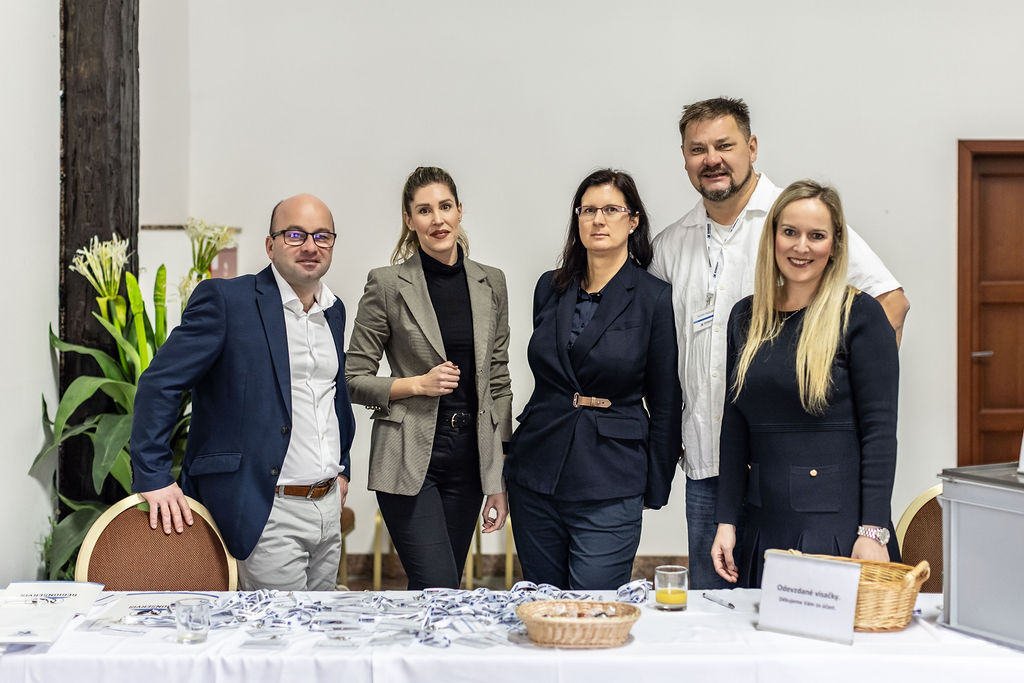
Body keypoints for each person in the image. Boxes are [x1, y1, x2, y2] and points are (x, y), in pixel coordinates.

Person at [649, 97, 910, 589]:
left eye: (724, 145)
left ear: (751, 147)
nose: (712, 159)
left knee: (808, 614)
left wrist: (825, 394)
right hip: (710, 463)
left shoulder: (794, 213)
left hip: (811, 476)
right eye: (698, 149)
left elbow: (891, 302)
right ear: (684, 157)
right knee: (718, 611)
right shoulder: (670, 247)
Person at [131, 193, 356, 590]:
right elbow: (160, 382)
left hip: (326, 507)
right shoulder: (227, 302)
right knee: (281, 628)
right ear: (270, 245)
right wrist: (153, 476)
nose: (310, 246)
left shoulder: (333, 311)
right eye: (295, 234)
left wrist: (341, 469)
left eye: (322, 236)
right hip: (266, 508)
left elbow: (331, 397)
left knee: (322, 626)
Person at [710, 180, 900, 587]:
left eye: (816, 236)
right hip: (762, 524)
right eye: (790, 232)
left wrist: (873, 531)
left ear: (835, 245)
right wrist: (726, 520)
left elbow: (880, 433)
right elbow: (735, 426)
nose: (801, 247)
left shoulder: (861, 315)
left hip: (839, 530)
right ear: (773, 237)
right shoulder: (745, 317)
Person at [505, 169, 682, 590]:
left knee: (594, 609)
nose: (598, 220)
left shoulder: (654, 297)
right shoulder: (549, 287)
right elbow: (551, 377)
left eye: (611, 210)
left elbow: (665, 401)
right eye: (587, 210)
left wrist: (655, 484)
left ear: (633, 221)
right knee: (542, 607)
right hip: (537, 471)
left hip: (611, 475)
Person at [345, 166, 512, 590]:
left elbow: (498, 381)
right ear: (409, 219)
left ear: (460, 210)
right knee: (436, 584)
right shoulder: (387, 285)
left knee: (441, 592)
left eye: (445, 207)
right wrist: (416, 384)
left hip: (470, 460)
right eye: (424, 210)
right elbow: (352, 378)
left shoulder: (491, 282)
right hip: (409, 458)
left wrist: (498, 474)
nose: (437, 219)